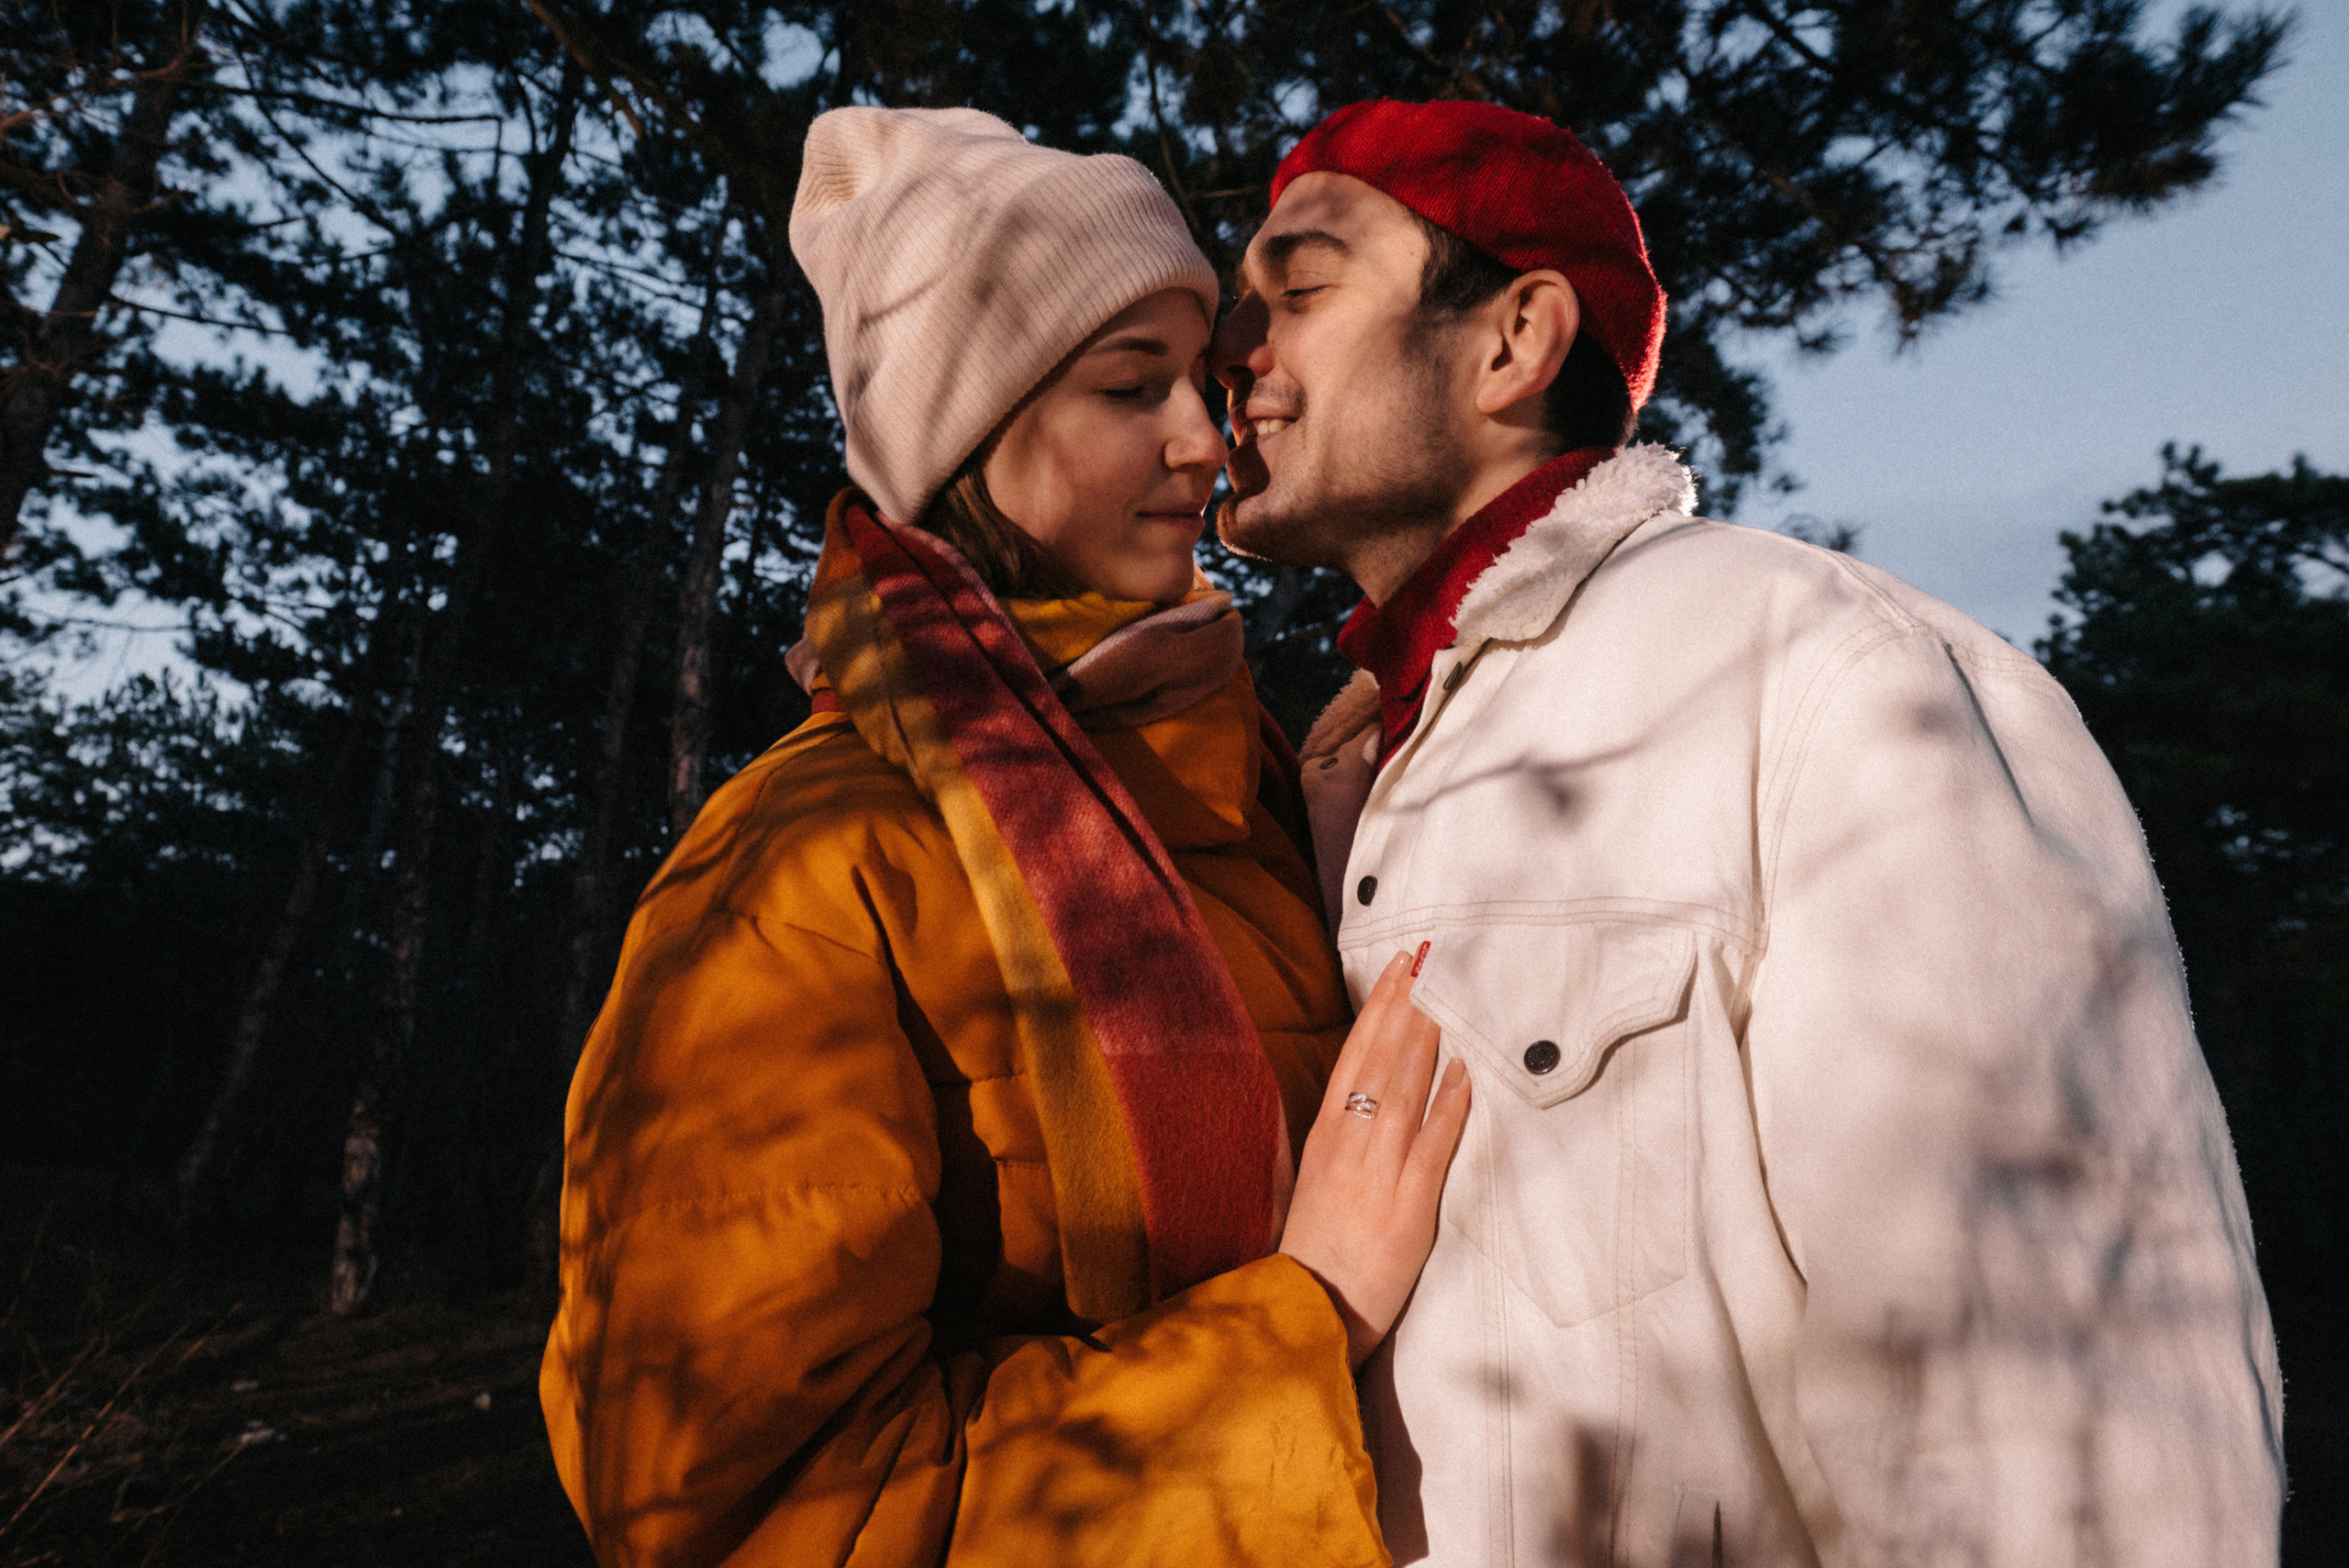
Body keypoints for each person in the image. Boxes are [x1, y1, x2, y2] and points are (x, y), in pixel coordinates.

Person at [1212, 98, 2284, 1566]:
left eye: (1303, 288)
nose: (1240, 352)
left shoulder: (1835, 677)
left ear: (1514, 341)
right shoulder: (1329, 786)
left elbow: (2065, 1439)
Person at [539, 106, 1469, 1567]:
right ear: (969, 435)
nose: (1202, 437)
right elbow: (741, 1509)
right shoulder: (799, 875)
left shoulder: (1262, 795)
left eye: (1199, 378)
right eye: (1129, 386)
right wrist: (1305, 1316)